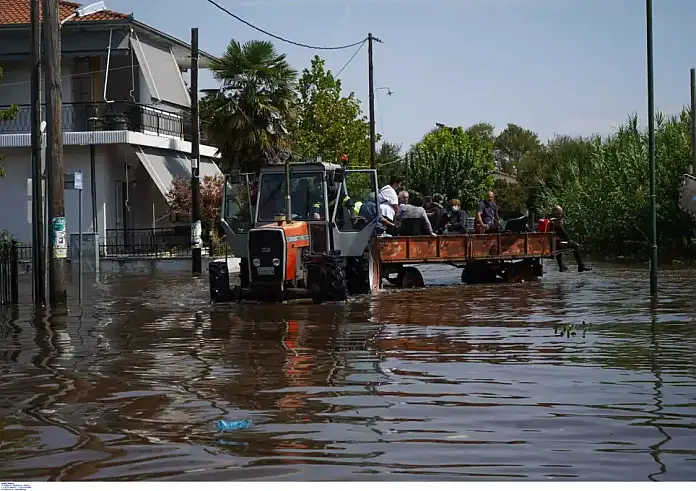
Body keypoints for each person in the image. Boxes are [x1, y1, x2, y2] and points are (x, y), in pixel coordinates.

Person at [549, 205, 592, 273]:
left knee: (560, 244)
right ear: (554, 212)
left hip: (552, 243)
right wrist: (569, 240)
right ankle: (581, 266)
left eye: (560, 214)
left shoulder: (549, 219)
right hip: (554, 244)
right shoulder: (554, 220)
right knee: (575, 245)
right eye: (559, 214)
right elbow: (562, 231)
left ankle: (561, 266)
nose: (560, 215)